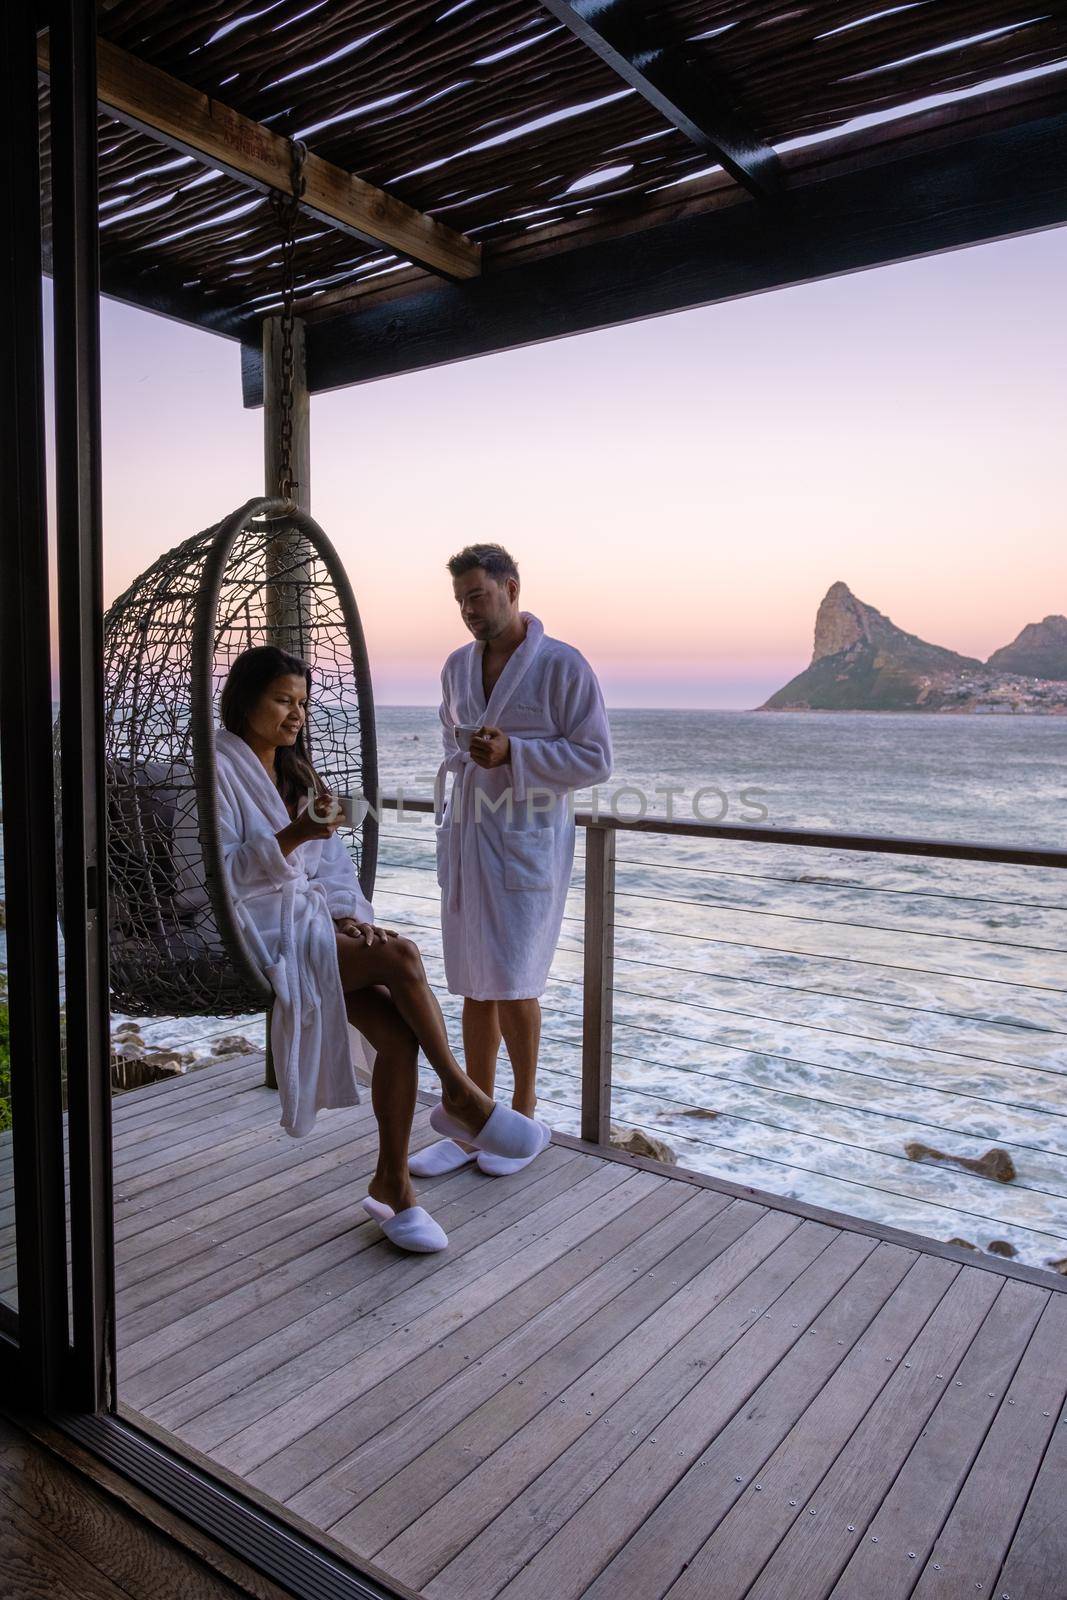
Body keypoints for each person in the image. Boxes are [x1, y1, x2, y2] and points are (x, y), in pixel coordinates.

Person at [212, 645, 546, 1253]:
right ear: (245, 700)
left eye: (303, 704)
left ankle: (393, 1183)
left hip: (312, 921)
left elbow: (334, 868)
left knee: (396, 1034)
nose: (296, 716)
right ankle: (460, 1093)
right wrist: (294, 834)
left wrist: (350, 918)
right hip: (254, 927)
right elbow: (212, 877)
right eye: (283, 701)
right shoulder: (215, 770)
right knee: (402, 958)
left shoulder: (297, 773)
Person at [411, 545, 612, 1180]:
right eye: (460, 601)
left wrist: (515, 753)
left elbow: (596, 759)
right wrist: (472, 754)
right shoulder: (455, 667)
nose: (469, 610)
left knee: (518, 982)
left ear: (511, 587)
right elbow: (451, 735)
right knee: (473, 982)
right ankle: (477, 1120)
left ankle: (522, 1122)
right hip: (470, 841)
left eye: (478, 595)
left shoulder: (562, 667)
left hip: (526, 847)